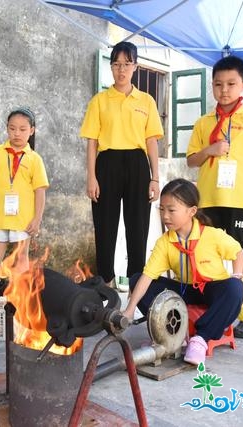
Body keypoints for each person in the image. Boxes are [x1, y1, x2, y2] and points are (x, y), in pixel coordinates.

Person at [186, 55, 243, 339]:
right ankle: (214, 309)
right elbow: (191, 161)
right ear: (212, 86)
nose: (224, 89)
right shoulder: (203, 122)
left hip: (239, 201)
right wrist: (209, 150)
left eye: (231, 83)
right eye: (218, 84)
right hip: (208, 200)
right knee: (207, 255)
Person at [122, 179, 243, 365]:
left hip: (212, 289)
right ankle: (167, 334)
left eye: (171, 210)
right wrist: (129, 310)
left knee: (235, 288)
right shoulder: (165, 242)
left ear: (192, 211)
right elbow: (148, 277)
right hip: (184, 289)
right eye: (161, 209)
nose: (165, 216)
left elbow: (238, 252)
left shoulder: (211, 235)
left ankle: (200, 340)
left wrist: (237, 273)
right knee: (137, 279)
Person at [80, 41, 164, 287]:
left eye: (127, 64)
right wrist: (91, 176)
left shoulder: (146, 101)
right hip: (107, 163)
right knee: (104, 226)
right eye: (116, 64)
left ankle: (136, 283)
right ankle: (106, 283)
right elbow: (92, 142)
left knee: (137, 227)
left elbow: (151, 142)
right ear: (111, 67)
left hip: (138, 165)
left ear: (135, 66)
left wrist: (155, 177)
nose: (121, 69)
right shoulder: (99, 100)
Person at [0, 107, 49, 265]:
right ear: (7, 128)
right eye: (12, 128)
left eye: (23, 129)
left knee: (22, 258)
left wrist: (37, 219)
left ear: (32, 131)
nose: (17, 133)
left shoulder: (35, 159)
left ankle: (21, 289)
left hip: (23, 219)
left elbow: (40, 191)